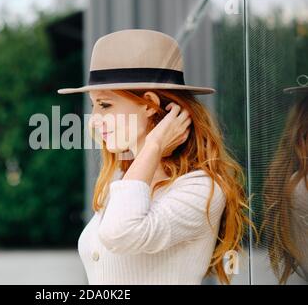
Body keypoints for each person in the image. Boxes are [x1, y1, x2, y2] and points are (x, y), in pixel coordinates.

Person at [57, 29, 252, 284]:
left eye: (104, 105)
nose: (93, 120)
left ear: (149, 104)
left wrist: (154, 145)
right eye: (93, 106)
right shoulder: (123, 178)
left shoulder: (202, 188)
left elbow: (119, 234)